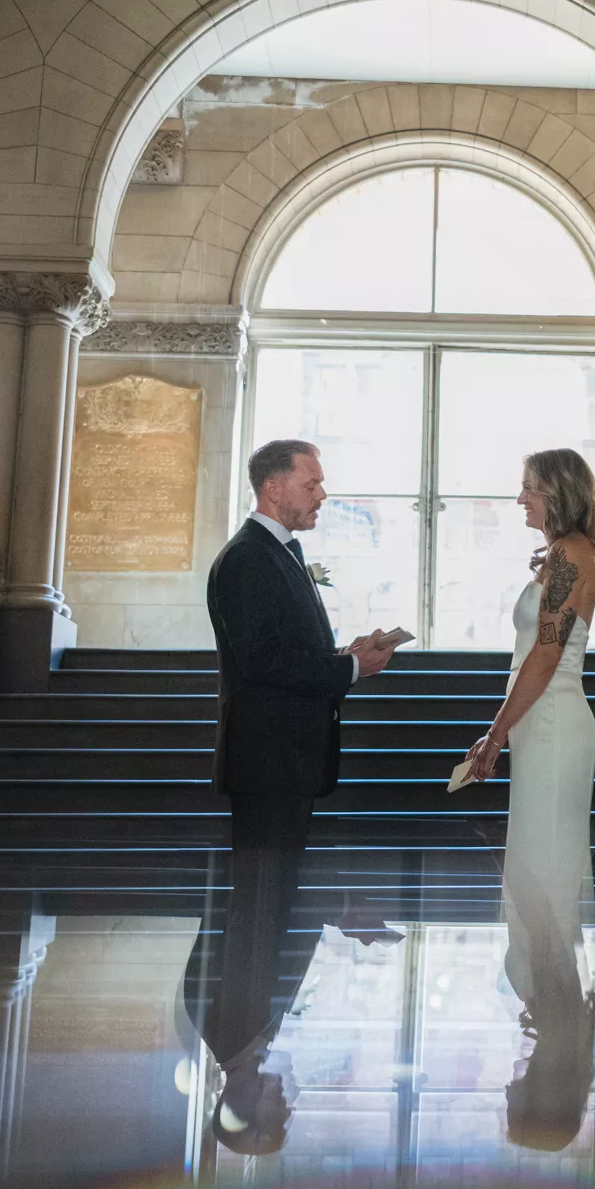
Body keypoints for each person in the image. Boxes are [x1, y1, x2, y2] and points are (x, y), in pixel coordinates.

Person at [199, 438, 398, 1150]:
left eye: (319, 483)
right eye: (312, 482)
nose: (321, 493)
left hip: (281, 756)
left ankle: (245, 1025)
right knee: (258, 902)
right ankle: (240, 1026)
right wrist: (347, 665)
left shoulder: (272, 552)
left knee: (266, 900)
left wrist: (346, 658)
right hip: (268, 758)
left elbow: (279, 651)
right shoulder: (250, 557)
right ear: (274, 483)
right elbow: (261, 662)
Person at [461, 448, 595, 1069]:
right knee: (536, 869)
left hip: (550, 727)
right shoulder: (563, 554)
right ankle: (557, 1011)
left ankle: (560, 1014)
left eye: (528, 489)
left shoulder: (572, 554)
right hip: (542, 728)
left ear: (557, 492)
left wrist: (494, 735)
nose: (519, 500)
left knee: (540, 873)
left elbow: (545, 658)